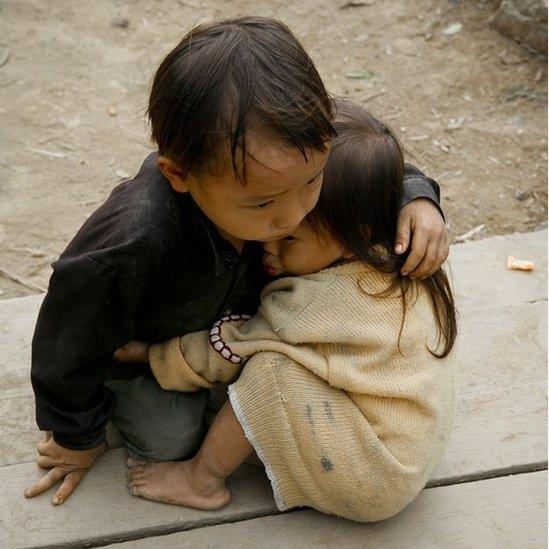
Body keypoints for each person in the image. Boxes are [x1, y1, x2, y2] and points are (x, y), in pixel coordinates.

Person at [24, 17, 448, 507]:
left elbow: (367, 156)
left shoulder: (287, 159)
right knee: (169, 440)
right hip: (146, 351)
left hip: (231, 337)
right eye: (263, 205)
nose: (295, 216)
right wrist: (77, 437)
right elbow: (66, 340)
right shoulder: (132, 243)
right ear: (179, 174)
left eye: (313, 182)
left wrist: (415, 195)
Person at [119, 101, 457, 522]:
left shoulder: (310, 303)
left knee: (270, 374)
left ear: (352, 236)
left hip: (375, 476)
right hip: (408, 445)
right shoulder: (391, 252)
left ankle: (200, 480)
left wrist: (145, 355)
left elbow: (228, 348)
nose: (269, 244)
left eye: (290, 239)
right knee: (278, 371)